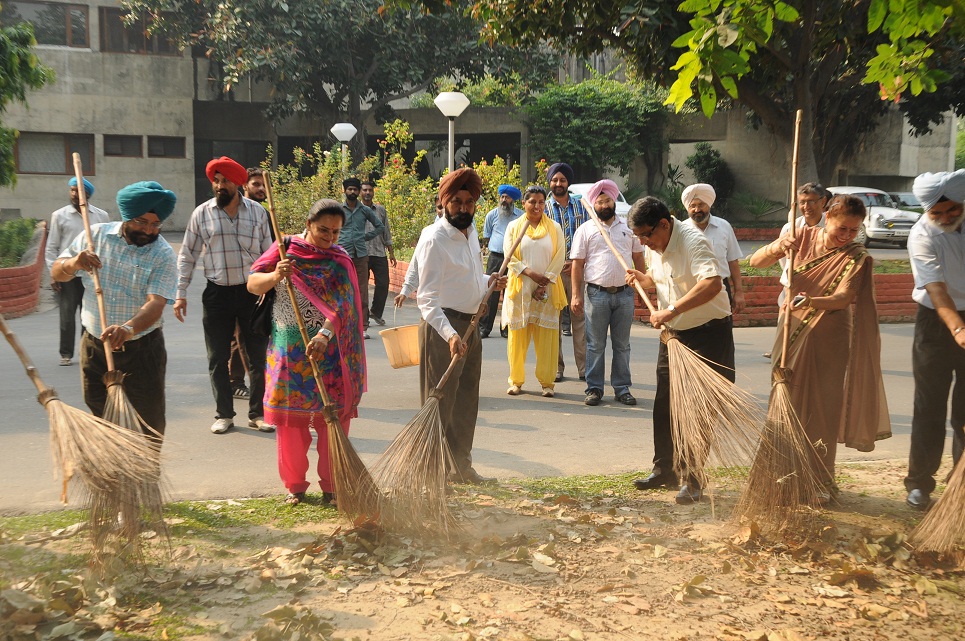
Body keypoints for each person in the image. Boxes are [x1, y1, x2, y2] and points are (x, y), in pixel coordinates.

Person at [750, 194, 891, 499]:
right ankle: (781, 477)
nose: (847, 236)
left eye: (854, 230)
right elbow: (755, 261)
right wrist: (778, 247)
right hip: (791, 327)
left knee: (824, 408)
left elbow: (843, 298)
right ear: (828, 219)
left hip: (832, 332)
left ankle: (818, 481)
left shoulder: (856, 255)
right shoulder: (800, 235)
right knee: (786, 399)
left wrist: (812, 301)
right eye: (842, 229)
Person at [248, 198, 366, 506]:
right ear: (309, 224)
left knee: (332, 421)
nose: (329, 238)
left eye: (336, 232)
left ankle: (332, 486)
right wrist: (276, 276)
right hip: (289, 351)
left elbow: (345, 304)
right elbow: (252, 284)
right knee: (291, 423)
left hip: (330, 352)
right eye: (323, 230)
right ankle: (295, 487)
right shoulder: (285, 248)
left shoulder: (339, 259)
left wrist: (325, 334)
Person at [625, 196, 734, 504]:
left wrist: (670, 310)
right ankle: (665, 471)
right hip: (675, 337)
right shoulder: (656, 247)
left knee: (698, 412)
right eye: (639, 238)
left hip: (709, 334)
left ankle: (694, 479)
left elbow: (712, 284)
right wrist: (643, 280)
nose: (645, 244)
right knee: (665, 405)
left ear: (664, 224)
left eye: (647, 235)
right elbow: (662, 281)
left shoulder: (693, 242)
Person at [51, 181, 178, 444]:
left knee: (149, 422)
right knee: (101, 418)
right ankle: (112, 476)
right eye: (142, 222)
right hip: (95, 347)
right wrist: (75, 263)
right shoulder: (94, 235)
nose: (148, 230)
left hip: (142, 350)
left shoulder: (163, 253)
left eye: (155, 225)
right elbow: (57, 272)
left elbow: (156, 303)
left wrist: (128, 328)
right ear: (126, 216)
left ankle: (146, 479)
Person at [415, 168, 506, 485]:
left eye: (469, 202)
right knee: (440, 402)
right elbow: (426, 299)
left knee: (467, 400)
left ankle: (460, 467)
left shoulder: (469, 234)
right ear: (444, 202)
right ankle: (431, 472)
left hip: (471, 326)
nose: (463, 208)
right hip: (443, 330)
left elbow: (467, 279)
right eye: (456, 201)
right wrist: (451, 336)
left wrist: (489, 282)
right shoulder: (434, 239)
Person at [175, 156, 275, 434]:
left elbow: (270, 254)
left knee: (257, 356)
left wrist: (272, 287)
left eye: (225, 181)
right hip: (217, 293)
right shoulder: (202, 213)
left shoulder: (257, 213)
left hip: (252, 293)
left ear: (237, 183)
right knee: (217, 357)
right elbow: (188, 255)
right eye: (216, 181)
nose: (219, 186)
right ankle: (224, 414)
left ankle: (258, 414)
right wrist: (180, 293)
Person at [903, 169, 965, 510]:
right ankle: (919, 484)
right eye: (936, 213)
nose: (944, 217)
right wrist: (958, 329)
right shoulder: (921, 234)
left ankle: (960, 486)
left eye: (952, 210)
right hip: (935, 322)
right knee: (929, 405)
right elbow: (937, 289)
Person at [570, 180, 645, 407]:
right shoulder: (586, 229)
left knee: (622, 345)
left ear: (614, 202)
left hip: (624, 295)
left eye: (607, 200)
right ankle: (594, 388)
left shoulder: (628, 229)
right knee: (595, 344)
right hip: (597, 294)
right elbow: (577, 264)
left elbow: (639, 258)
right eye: (599, 202)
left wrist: (642, 285)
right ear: (594, 205)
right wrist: (576, 295)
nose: (604, 205)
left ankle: (622, 388)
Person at [502, 186, 566, 397]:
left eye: (541, 202)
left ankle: (547, 383)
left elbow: (559, 257)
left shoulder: (554, 227)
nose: (537, 206)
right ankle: (516, 381)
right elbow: (509, 256)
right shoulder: (513, 227)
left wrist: (543, 282)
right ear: (524, 203)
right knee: (517, 337)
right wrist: (530, 273)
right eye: (532, 202)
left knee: (547, 338)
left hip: (547, 289)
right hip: (521, 288)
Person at [45, 177, 110, 366]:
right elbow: (52, 247)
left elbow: (106, 244)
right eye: (72, 190)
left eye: (79, 190)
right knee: (67, 314)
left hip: (92, 274)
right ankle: (65, 354)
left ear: (87, 194)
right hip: (68, 271)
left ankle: (86, 351)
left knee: (89, 315)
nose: (75, 194)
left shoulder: (100, 216)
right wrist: (53, 272)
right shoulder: (60, 215)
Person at [229, 167, 270, 401]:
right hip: (240, 282)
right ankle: (237, 381)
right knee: (242, 335)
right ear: (245, 186)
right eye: (256, 184)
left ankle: (249, 381)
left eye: (264, 185)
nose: (261, 189)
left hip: (261, 281)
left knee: (251, 332)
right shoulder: (237, 212)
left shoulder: (263, 212)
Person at [545, 162, 587, 382]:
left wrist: (578, 262)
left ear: (568, 182)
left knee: (579, 318)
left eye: (562, 180)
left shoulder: (582, 207)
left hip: (576, 270)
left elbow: (590, 236)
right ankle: (557, 368)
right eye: (554, 180)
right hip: (552, 271)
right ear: (549, 182)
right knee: (554, 320)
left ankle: (584, 368)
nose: (558, 183)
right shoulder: (544, 208)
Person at [680, 183, 745, 313]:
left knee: (722, 330)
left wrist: (739, 292)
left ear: (709, 205)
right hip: (691, 291)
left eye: (701, 205)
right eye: (692, 206)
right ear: (687, 208)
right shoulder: (680, 230)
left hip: (721, 288)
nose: (697, 209)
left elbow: (733, 262)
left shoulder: (724, 226)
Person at [339, 177, 384, 339]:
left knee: (361, 292)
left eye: (355, 189)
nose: (352, 192)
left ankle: (362, 327)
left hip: (360, 256)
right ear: (344, 190)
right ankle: (342, 324)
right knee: (341, 290)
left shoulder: (364, 210)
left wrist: (365, 237)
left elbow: (380, 226)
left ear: (358, 191)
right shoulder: (338, 210)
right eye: (349, 189)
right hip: (342, 256)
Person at [481, 184, 523, 338]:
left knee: (510, 294)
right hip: (495, 258)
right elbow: (487, 235)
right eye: (502, 197)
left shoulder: (520, 216)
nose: (504, 200)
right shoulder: (491, 215)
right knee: (490, 292)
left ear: (513, 200)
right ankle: (484, 328)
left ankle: (506, 328)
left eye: (508, 197)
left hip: (513, 259)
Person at [394, 194, 445, 307]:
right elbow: (417, 263)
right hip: (434, 307)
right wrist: (405, 291)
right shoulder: (429, 233)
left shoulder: (469, 233)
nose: (443, 211)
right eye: (440, 207)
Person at [360, 179, 396, 326]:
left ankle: (375, 312)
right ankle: (364, 319)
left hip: (379, 252)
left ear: (373, 192)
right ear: (360, 192)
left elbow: (386, 230)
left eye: (370, 190)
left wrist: (391, 252)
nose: (368, 193)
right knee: (362, 287)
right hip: (361, 254)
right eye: (365, 190)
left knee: (383, 284)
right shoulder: (356, 210)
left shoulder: (381, 210)